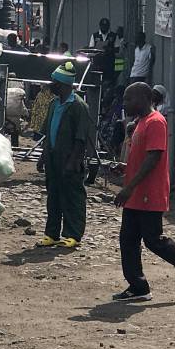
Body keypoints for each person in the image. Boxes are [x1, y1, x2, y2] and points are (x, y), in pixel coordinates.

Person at [113, 82, 175, 301]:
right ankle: (138, 286)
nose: (125, 103)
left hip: (149, 193)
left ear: (143, 99)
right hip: (136, 194)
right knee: (127, 240)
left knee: (153, 240)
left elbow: (154, 159)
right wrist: (126, 169)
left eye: (129, 98)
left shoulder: (156, 122)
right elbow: (142, 158)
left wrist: (128, 188)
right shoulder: (140, 123)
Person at [37, 61, 91, 248]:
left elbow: (81, 138)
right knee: (53, 196)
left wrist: (73, 161)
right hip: (53, 158)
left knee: (72, 197)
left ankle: (72, 234)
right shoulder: (54, 104)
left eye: (55, 83)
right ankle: (51, 233)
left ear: (64, 85)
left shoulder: (78, 106)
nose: (52, 86)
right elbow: (47, 133)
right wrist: (43, 156)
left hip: (69, 159)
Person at [89, 17, 118, 84]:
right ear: (100, 26)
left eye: (106, 26)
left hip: (109, 64)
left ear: (108, 26)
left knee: (108, 84)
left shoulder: (113, 36)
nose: (104, 28)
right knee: (97, 83)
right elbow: (91, 49)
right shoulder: (94, 35)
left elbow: (117, 49)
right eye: (103, 26)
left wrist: (109, 49)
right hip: (97, 64)